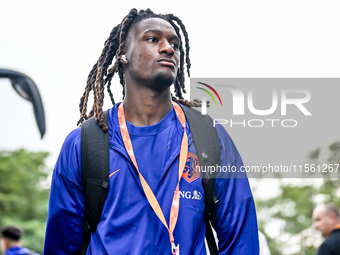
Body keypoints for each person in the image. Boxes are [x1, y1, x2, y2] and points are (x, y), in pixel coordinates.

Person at [44, 8, 259, 254]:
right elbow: (61, 245)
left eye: (175, 44)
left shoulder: (209, 136)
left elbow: (242, 238)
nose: (168, 48)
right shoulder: (85, 143)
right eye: (153, 39)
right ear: (123, 53)